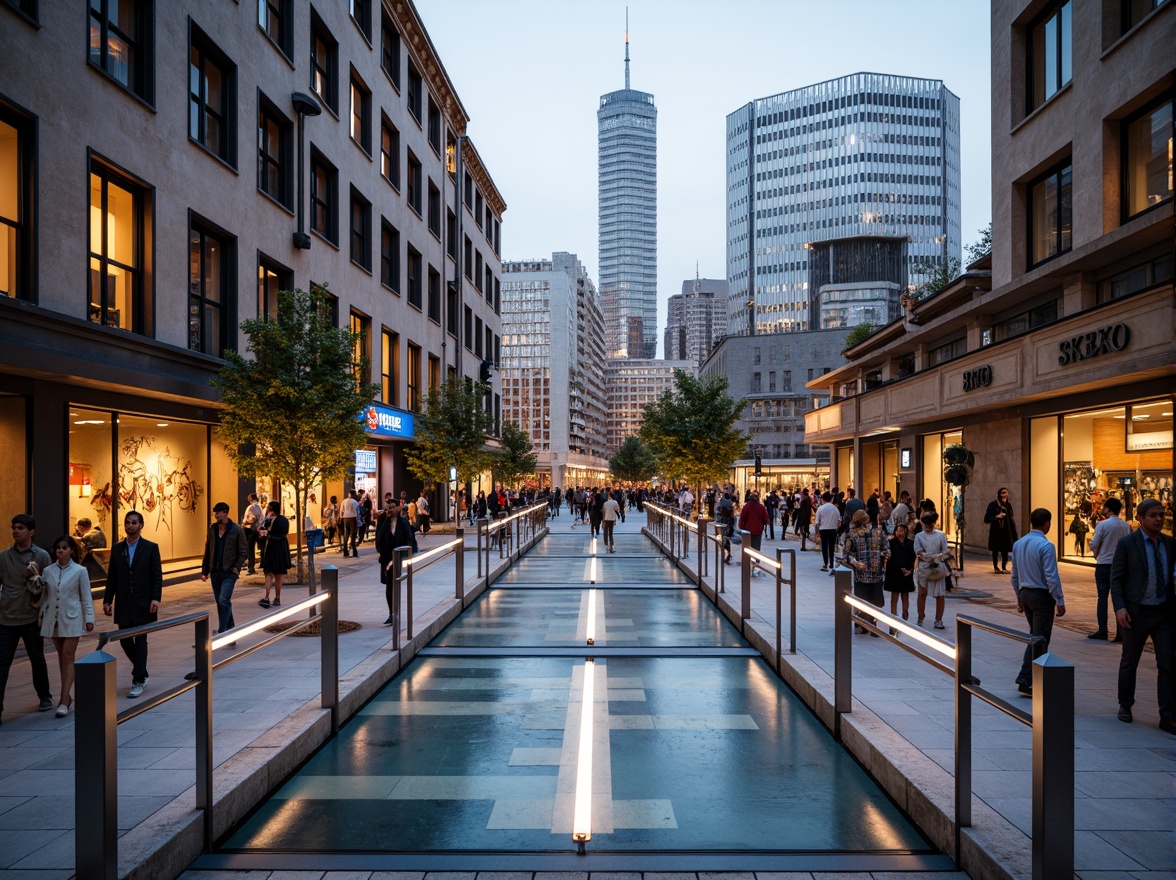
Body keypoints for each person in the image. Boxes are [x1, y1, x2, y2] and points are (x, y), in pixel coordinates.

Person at [1109, 498, 1174, 733]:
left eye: (1162, 515)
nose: (1159, 519)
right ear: (1140, 518)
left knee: (1167, 663)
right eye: (1154, 515)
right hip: (1136, 612)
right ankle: (1125, 704)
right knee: (1130, 661)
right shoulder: (1128, 543)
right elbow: (1116, 578)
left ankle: (1167, 715)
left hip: (1164, 612)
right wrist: (1120, 607)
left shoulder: (1169, 543)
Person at [103, 510, 163, 699]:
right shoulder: (117, 549)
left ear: (141, 525)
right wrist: (107, 599)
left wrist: (156, 598)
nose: (130, 525)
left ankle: (137, 680)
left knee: (141, 640)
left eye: (134, 523)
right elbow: (112, 576)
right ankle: (142, 672)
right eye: (127, 522)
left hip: (144, 601)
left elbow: (156, 575)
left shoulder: (150, 547)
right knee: (124, 639)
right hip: (123, 602)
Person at [1, 515, 54, 720]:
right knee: (2, 663)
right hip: (6, 617)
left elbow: (48, 586)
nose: (16, 531)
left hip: (31, 617)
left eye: (20, 528)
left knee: (37, 658)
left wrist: (39, 598)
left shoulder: (41, 556)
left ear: (31, 531)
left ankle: (44, 696)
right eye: (13, 527)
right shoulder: (4, 556)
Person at [1010, 508, 1066, 697]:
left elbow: (1014, 575)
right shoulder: (1046, 546)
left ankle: (1030, 678)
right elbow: (1051, 575)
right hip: (1041, 596)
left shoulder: (1019, 543)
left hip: (1025, 593)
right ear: (1046, 524)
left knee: (1035, 636)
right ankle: (1028, 678)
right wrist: (1059, 599)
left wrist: (1019, 596)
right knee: (1040, 639)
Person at [39, 535, 95, 717]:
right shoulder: (47, 571)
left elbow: (86, 596)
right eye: (58, 548)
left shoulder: (80, 571)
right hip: (53, 619)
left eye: (64, 547)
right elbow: (45, 595)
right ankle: (67, 696)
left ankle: (64, 699)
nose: (60, 550)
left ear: (71, 550)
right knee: (61, 657)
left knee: (68, 655)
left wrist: (90, 618)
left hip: (72, 617)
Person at [1088, 496, 1131, 641]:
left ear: (1109, 509)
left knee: (1102, 597)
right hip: (1121, 566)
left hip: (1104, 564)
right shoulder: (1126, 526)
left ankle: (1103, 629)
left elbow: (1094, 545)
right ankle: (1120, 631)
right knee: (1119, 598)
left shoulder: (1103, 525)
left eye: (1105, 507)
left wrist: (1096, 553)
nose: (1103, 509)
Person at [201, 502, 247, 635]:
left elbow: (243, 551)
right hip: (215, 572)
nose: (216, 515)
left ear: (225, 513)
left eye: (218, 512)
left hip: (229, 572)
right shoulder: (212, 529)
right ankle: (231, 629)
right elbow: (208, 549)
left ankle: (222, 631)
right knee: (221, 602)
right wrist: (205, 571)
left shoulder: (236, 529)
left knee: (223, 600)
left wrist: (237, 567)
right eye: (215, 512)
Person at [841, 509, 889, 635]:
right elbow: (887, 551)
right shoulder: (876, 533)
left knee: (867, 601)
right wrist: (877, 557)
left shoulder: (855, 534)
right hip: (869, 574)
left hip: (868, 574)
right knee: (870, 601)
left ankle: (866, 624)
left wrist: (857, 562)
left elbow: (846, 555)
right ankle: (868, 624)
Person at [377, 502, 417, 626]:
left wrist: (403, 553)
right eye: (388, 507)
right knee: (389, 585)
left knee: (394, 584)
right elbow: (378, 540)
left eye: (392, 507)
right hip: (386, 557)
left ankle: (394, 612)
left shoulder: (403, 522)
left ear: (398, 508)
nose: (390, 509)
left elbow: (409, 539)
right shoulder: (383, 521)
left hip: (398, 557)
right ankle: (391, 613)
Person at [913, 513, 951, 631]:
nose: (928, 525)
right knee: (922, 593)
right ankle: (920, 616)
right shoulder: (919, 536)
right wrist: (935, 555)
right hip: (924, 568)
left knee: (940, 595)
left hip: (938, 567)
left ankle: (939, 619)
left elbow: (945, 551)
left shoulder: (940, 535)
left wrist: (935, 556)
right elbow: (919, 552)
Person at [256, 501, 290, 608]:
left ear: (271, 510)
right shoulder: (280, 520)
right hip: (277, 549)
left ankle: (271, 597)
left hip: (275, 548)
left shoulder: (277, 520)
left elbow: (266, 530)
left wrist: (267, 533)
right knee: (274, 573)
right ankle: (273, 597)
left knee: (273, 573)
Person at [885, 522, 916, 625]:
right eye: (898, 530)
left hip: (906, 571)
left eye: (902, 530)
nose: (900, 532)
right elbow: (889, 556)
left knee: (905, 594)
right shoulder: (891, 542)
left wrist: (910, 569)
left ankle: (905, 613)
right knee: (894, 595)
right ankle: (893, 615)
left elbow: (913, 557)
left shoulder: (910, 543)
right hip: (894, 571)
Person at [983, 488, 1017, 573]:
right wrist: (996, 517)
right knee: (995, 549)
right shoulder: (993, 505)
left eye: (1006, 493)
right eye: (1003, 493)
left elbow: (1011, 518)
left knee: (1005, 549)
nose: (1005, 495)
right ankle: (996, 567)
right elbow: (986, 519)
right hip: (996, 531)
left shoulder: (1008, 505)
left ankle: (1004, 566)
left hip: (1006, 531)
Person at [738, 492, 769, 577]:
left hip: (747, 532)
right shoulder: (761, 507)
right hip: (758, 531)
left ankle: (748, 566)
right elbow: (766, 519)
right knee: (756, 549)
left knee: (747, 549)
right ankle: (754, 567)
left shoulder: (747, 506)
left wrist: (742, 527)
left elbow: (742, 518)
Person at [814, 492, 841, 573]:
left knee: (824, 547)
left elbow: (817, 522)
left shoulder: (821, 508)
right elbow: (839, 521)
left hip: (823, 529)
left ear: (823, 499)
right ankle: (832, 564)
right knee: (831, 547)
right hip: (833, 529)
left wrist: (817, 533)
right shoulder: (835, 509)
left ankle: (825, 563)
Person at [241, 492, 264, 575]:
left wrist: (244, 523)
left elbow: (252, 519)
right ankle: (251, 566)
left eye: (249, 497)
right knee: (251, 549)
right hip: (254, 530)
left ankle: (251, 567)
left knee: (249, 548)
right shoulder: (258, 507)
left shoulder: (252, 507)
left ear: (251, 498)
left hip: (250, 530)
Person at [339, 490, 360, 557]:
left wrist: (341, 517)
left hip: (345, 518)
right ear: (353, 494)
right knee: (353, 535)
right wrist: (358, 521)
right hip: (353, 518)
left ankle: (345, 552)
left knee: (346, 535)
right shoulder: (355, 502)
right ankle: (354, 551)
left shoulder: (344, 501)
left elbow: (341, 511)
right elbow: (357, 512)